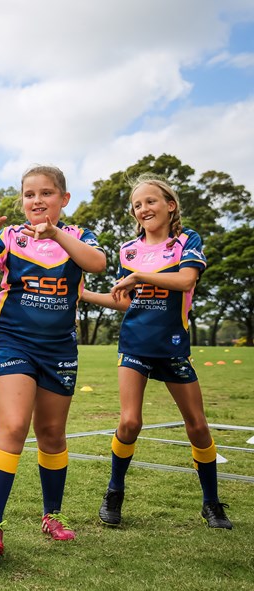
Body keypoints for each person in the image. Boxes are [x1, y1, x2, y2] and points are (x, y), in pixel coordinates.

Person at [0, 165, 106, 555]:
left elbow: (97, 264)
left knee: (51, 433)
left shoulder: (78, 237)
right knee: (12, 425)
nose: (37, 201)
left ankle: (52, 515)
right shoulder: (10, 237)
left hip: (60, 349)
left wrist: (55, 234)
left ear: (64, 199)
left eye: (46, 193)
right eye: (29, 194)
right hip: (12, 343)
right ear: (21, 200)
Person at [81, 173, 232, 530]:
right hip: (134, 345)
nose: (143, 208)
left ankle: (211, 502)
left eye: (150, 201)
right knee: (130, 422)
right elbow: (126, 303)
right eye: (137, 204)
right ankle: (114, 491)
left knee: (197, 426)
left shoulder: (186, 241)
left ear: (170, 205)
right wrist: (84, 296)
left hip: (173, 347)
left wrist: (140, 277)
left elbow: (186, 281)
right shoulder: (128, 251)